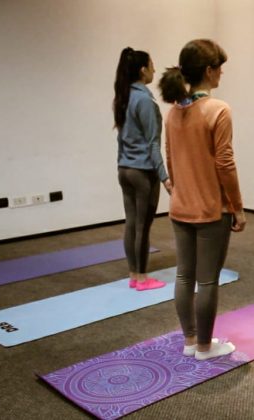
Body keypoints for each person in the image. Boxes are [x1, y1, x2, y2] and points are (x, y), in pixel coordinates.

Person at [158, 39, 246, 361]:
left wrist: (180, 189)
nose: (222, 73)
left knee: (184, 275)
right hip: (211, 210)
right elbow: (225, 163)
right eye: (220, 67)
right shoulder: (218, 110)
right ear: (209, 71)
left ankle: (191, 341)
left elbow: (170, 158)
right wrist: (237, 207)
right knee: (207, 280)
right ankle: (207, 348)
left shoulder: (172, 113)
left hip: (180, 207)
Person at [113, 47, 172, 292]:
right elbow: (153, 144)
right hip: (142, 173)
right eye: (152, 65)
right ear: (142, 70)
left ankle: (133, 274)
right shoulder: (144, 100)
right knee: (142, 226)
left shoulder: (123, 97)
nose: (155, 70)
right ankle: (141, 278)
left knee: (131, 223)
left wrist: (123, 164)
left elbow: (122, 139)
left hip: (125, 169)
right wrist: (165, 177)